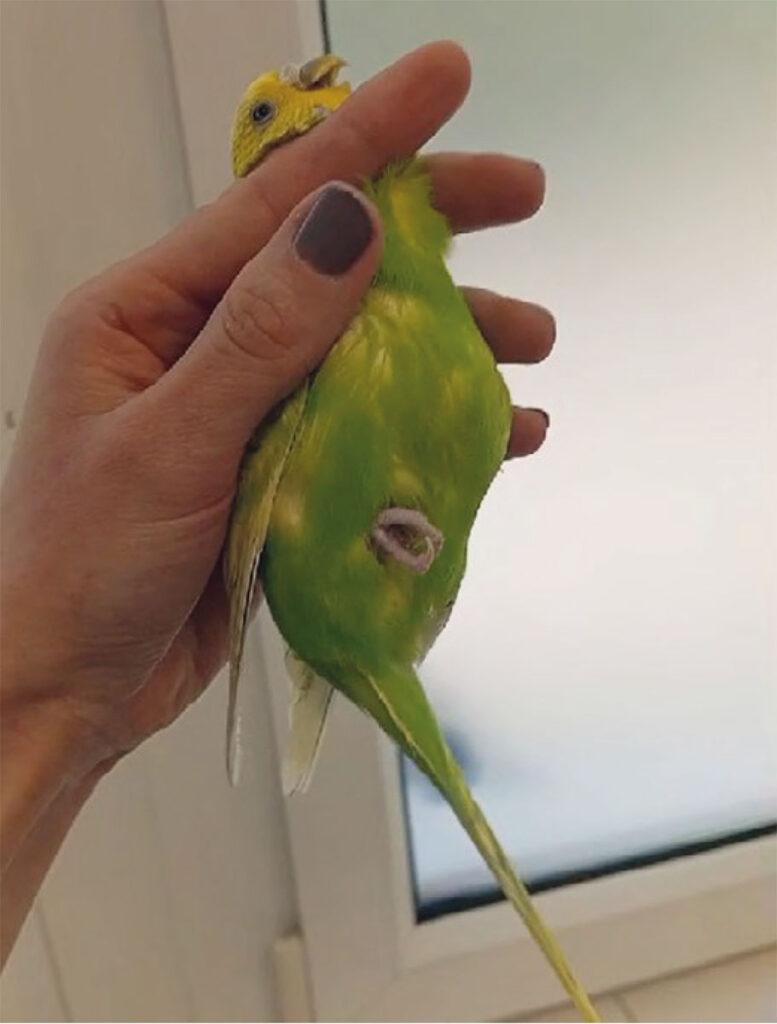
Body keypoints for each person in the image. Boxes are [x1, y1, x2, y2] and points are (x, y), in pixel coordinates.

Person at [0, 41, 554, 964]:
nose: (307, 93)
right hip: (336, 589)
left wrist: (43, 703)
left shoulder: (404, 237)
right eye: (265, 113)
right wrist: (43, 695)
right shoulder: (294, 285)